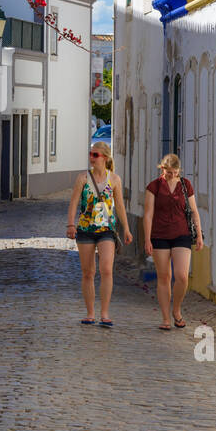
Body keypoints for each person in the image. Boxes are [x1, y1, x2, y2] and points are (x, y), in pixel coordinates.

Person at [66, 140, 133, 327]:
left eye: (95, 155)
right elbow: (73, 202)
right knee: (88, 272)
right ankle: (90, 313)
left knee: (106, 270)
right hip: (86, 229)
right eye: (90, 154)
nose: (91, 158)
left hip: (107, 230)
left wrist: (126, 228)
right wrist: (70, 225)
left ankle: (104, 313)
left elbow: (119, 206)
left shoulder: (115, 180)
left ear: (105, 157)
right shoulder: (83, 178)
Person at [142, 154, 203, 329]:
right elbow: (148, 214)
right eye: (169, 172)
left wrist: (198, 235)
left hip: (181, 233)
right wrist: (147, 239)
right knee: (164, 277)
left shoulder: (185, 185)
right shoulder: (154, 187)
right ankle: (165, 318)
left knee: (182, 276)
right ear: (162, 169)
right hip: (159, 234)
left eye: (175, 172)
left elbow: (194, 211)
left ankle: (176, 310)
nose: (172, 175)